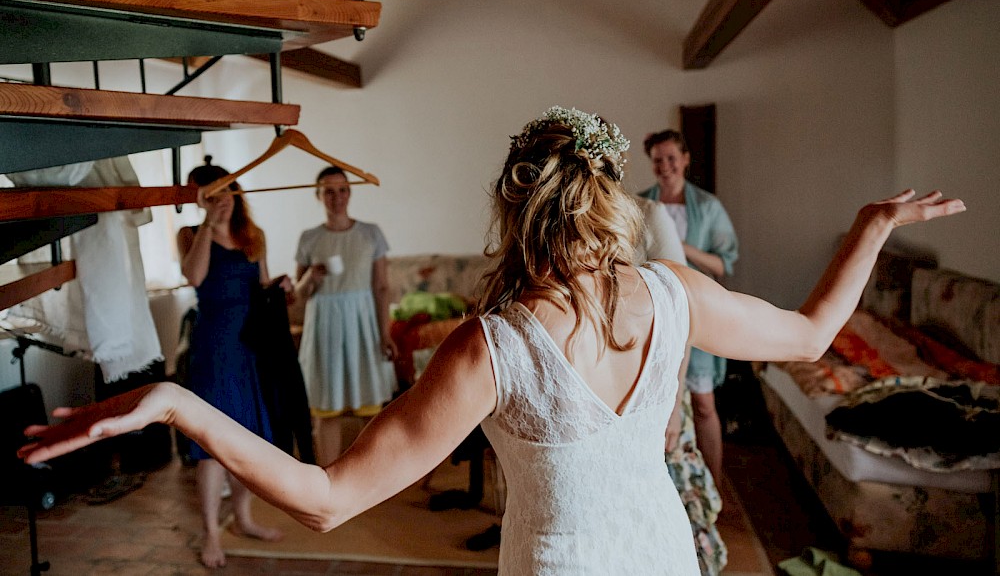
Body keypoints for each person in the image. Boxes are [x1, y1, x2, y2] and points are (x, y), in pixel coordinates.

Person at [19, 106, 964, 575]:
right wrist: (869, 224)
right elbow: (808, 329)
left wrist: (181, 401)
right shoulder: (673, 294)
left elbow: (329, 499)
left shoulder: (493, 346)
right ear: (608, 196)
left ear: (514, 206)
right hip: (665, 556)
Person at [173, 158, 291, 567]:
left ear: (231, 191)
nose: (210, 201)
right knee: (211, 443)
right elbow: (194, 277)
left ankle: (242, 518)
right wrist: (208, 224)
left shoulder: (252, 236)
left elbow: (261, 287)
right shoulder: (190, 233)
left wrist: (281, 286)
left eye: (214, 193)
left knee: (248, 439)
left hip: (250, 347)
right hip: (213, 346)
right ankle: (210, 532)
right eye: (201, 197)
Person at [639, 130, 738, 484]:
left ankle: (713, 484)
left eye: (670, 158)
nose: (665, 166)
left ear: (685, 159)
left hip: (698, 312)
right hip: (656, 315)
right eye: (657, 160)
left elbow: (724, 264)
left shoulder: (709, 208)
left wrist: (679, 247)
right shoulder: (642, 206)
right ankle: (670, 486)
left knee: (703, 403)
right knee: (659, 403)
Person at [635, 195, 727, 575]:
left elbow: (682, 316)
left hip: (658, 386)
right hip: (610, 393)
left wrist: (673, 404)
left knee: (673, 494)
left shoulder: (649, 216)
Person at [293, 166, 398, 464]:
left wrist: (385, 333)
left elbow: (381, 286)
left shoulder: (370, 233)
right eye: (329, 191)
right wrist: (311, 277)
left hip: (363, 325)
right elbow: (298, 296)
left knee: (370, 407)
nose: (336, 197)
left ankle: (372, 475)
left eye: (342, 190)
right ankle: (329, 479)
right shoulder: (309, 238)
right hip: (324, 325)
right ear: (318, 196)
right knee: (327, 407)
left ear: (350, 192)